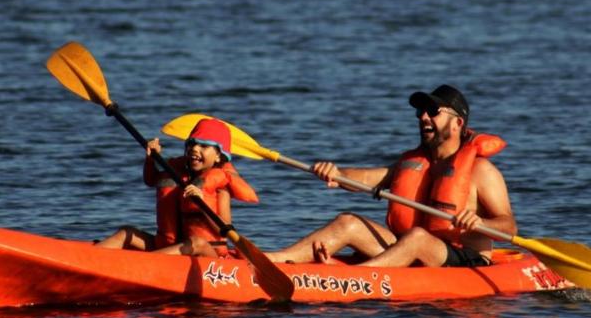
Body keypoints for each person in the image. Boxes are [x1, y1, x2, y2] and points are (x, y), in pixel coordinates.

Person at [268, 85, 516, 267]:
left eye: (432, 111)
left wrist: (480, 223)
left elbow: (509, 226)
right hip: (411, 249)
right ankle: (273, 260)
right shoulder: (415, 162)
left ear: (457, 123)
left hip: (465, 260)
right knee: (348, 222)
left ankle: (353, 277)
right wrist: (338, 173)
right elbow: (367, 178)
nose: (423, 117)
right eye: (420, 112)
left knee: (417, 237)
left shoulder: (482, 171)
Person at [94, 117, 258, 257]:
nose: (194, 148)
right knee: (126, 233)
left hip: (207, 254)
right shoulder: (177, 172)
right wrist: (150, 159)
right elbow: (151, 180)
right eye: (192, 143)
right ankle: (89, 258)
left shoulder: (221, 186)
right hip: (169, 248)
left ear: (218, 156)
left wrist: (202, 203)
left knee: (197, 242)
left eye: (203, 146)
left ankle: (138, 264)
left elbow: (225, 228)